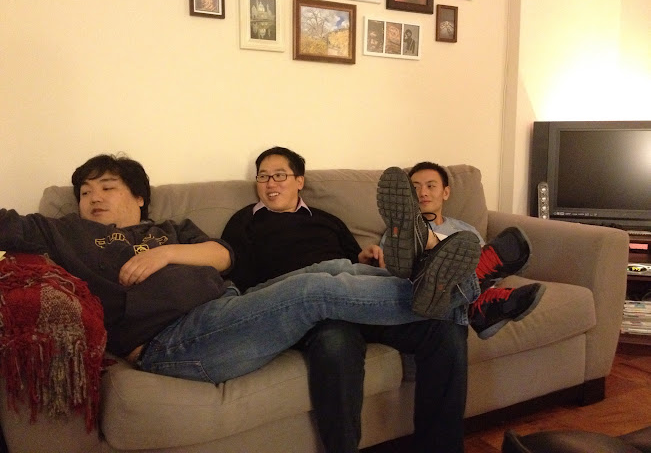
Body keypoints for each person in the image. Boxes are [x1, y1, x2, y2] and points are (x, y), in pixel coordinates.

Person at [0, 153, 476, 393]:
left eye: (107, 187)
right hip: (171, 342)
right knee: (312, 292)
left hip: (226, 309)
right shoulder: (64, 232)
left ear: (139, 197)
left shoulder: (170, 229)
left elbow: (223, 256)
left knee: (331, 267)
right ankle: (465, 294)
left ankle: (454, 285)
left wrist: (166, 254)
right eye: (85, 192)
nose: (94, 199)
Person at [221, 147, 540, 453]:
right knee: (336, 342)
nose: (271, 184)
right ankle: (469, 296)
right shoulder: (244, 222)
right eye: (263, 177)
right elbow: (243, 284)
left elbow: (352, 260)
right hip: (306, 306)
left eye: (279, 175)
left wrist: (366, 256)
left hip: (358, 295)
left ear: (299, 181)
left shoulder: (327, 219)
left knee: (444, 330)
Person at [405, 161, 546, 339]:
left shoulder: (465, 229)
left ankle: (479, 302)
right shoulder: (401, 232)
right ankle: (479, 308)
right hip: (427, 285)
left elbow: (492, 274)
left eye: (430, 186)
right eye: (415, 188)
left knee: (475, 260)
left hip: (467, 286)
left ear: (445, 192)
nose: (423, 193)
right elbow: (395, 270)